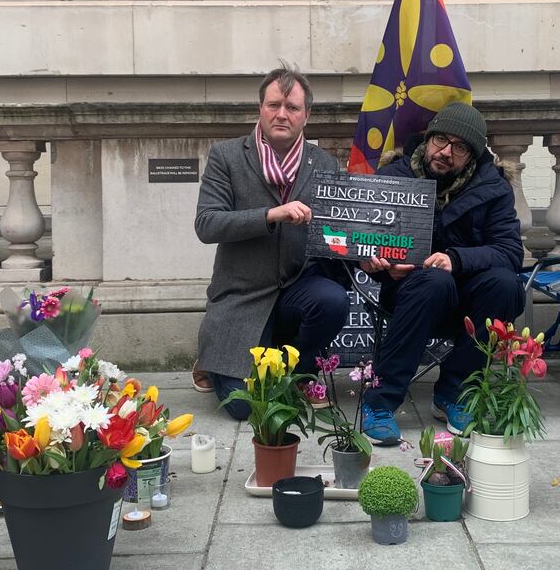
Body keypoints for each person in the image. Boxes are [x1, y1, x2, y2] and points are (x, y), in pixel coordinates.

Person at [359, 102, 525, 445]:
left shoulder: (493, 188)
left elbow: (510, 253)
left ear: (474, 156)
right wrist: (376, 263)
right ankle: (381, 401)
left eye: (460, 147)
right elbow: (365, 244)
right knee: (433, 282)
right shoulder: (394, 178)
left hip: (470, 300)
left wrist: (456, 259)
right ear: (427, 139)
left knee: (507, 285)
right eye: (440, 140)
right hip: (411, 293)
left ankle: (454, 394)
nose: (446, 152)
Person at [194, 65, 350, 419]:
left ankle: (298, 373)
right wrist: (271, 214)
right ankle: (213, 356)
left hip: (297, 290)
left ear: (306, 115)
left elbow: (335, 230)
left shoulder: (323, 162)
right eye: (274, 105)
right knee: (244, 408)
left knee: (332, 299)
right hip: (242, 298)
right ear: (260, 109)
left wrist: (365, 252)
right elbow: (207, 224)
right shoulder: (227, 156)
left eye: (292, 107)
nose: (282, 114)